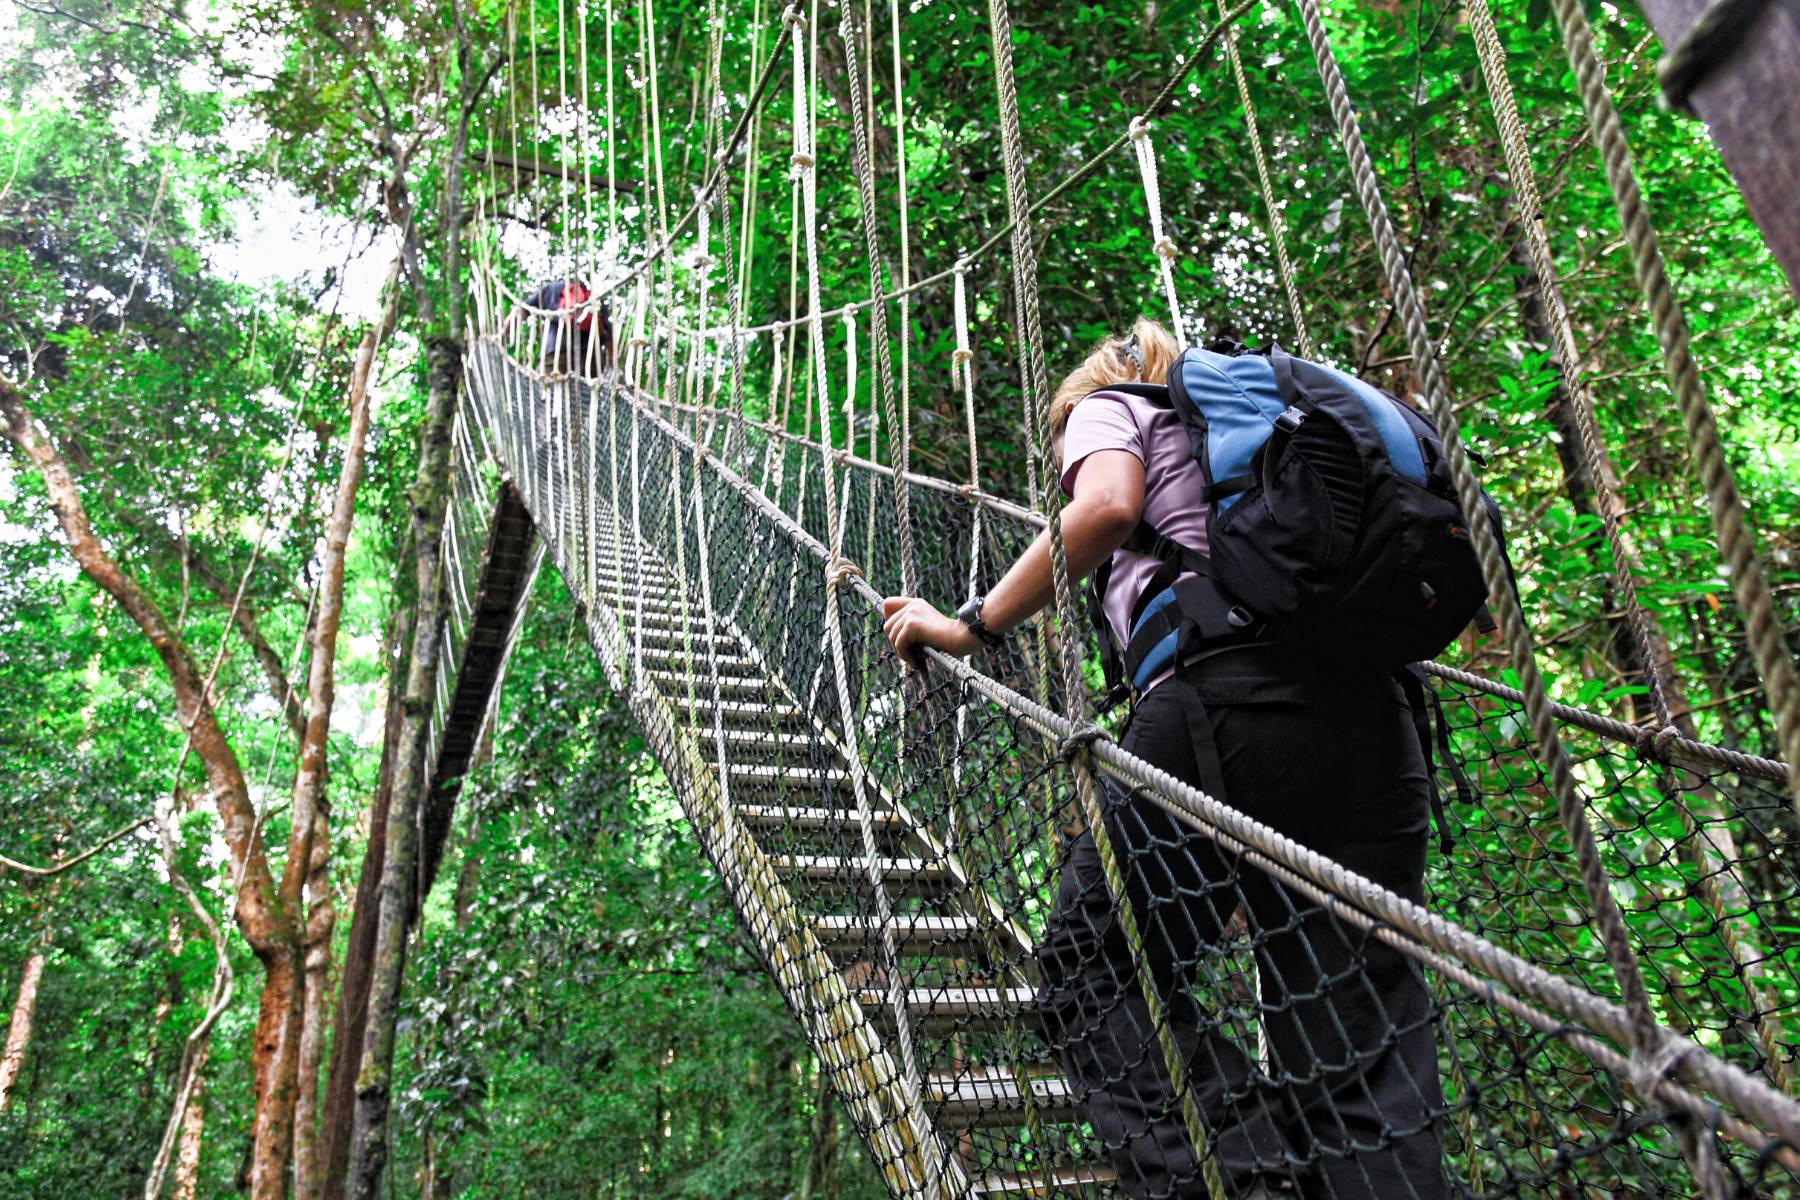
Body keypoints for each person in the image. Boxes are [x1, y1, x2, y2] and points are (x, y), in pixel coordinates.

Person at [880, 317, 1449, 1200]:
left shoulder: (1109, 406)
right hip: (1380, 719)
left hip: (1224, 704)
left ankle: (1248, 1180)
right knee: (1356, 1045)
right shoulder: (1263, 425)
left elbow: (1105, 507)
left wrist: (970, 625)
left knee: (1085, 968)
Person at [522, 275, 613, 376]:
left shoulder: (550, 289)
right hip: (590, 358)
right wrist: (612, 363)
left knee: (551, 388)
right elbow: (609, 335)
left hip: (556, 353)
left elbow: (521, 310)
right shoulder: (594, 299)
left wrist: (504, 332)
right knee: (588, 390)